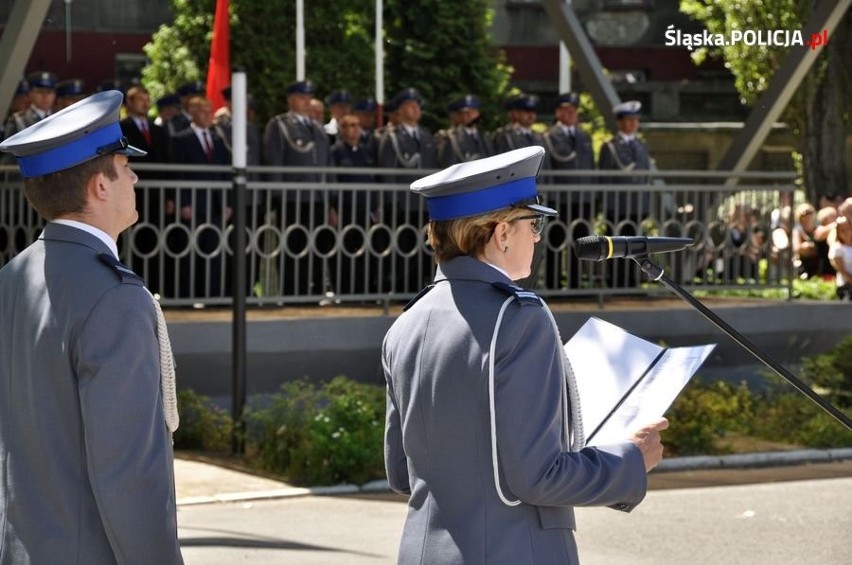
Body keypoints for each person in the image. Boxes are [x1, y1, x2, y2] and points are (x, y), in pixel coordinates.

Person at [383, 146, 668, 564]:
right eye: (532, 223)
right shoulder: (518, 317)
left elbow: (399, 470)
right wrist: (629, 461)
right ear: (501, 234)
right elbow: (537, 476)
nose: (536, 236)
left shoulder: (404, 324)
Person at [0, 90, 183, 563]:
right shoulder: (116, 298)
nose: (135, 176)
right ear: (99, 186)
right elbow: (129, 473)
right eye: (124, 166)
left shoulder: (10, 279)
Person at [169, 94, 232, 299]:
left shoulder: (217, 139)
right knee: (189, 252)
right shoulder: (181, 138)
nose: (207, 115)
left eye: (209, 110)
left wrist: (227, 202)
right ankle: (188, 296)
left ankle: (211, 296)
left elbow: (225, 173)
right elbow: (178, 173)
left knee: (212, 251)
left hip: (214, 205)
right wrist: (183, 202)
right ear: (192, 112)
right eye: (203, 111)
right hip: (193, 204)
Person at [543, 92, 595, 289]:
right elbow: (547, 169)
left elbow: (591, 167)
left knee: (581, 243)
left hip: (582, 199)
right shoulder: (549, 137)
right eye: (566, 110)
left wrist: (593, 196)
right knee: (556, 242)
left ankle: (575, 285)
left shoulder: (584, 136)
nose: (571, 113)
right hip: (560, 199)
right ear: (558, 112)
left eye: (574, 110)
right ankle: (554, 284)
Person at [598, 100, 652, 288]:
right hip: (618, 207)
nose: (633, 124)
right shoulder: (611, 146)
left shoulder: (641, 145)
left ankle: (633, 284)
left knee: (637, 248)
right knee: (617, 249)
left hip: (638, 206)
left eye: (635, 120)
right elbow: (604, 178)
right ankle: (616, 284)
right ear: (620, 122)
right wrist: (607, 206)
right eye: (629, 120)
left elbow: (646, 176)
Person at [436, 94, 493, 168]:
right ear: (458, 116)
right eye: (466, 113)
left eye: (473, 112)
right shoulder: (450, 138)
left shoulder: (485, 136)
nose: (471, 116)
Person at [3, 71, 58, 141]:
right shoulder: (18, 120)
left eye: (49, 92)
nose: (45, 96)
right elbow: (9, 149)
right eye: (40, 91)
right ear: (30, 94)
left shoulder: (58, 117)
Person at [828, 215, 852, 300]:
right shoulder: (836, 248)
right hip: (846, 287)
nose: (845, 232)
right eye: (841, 230)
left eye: (847, 228)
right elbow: (842, 270)